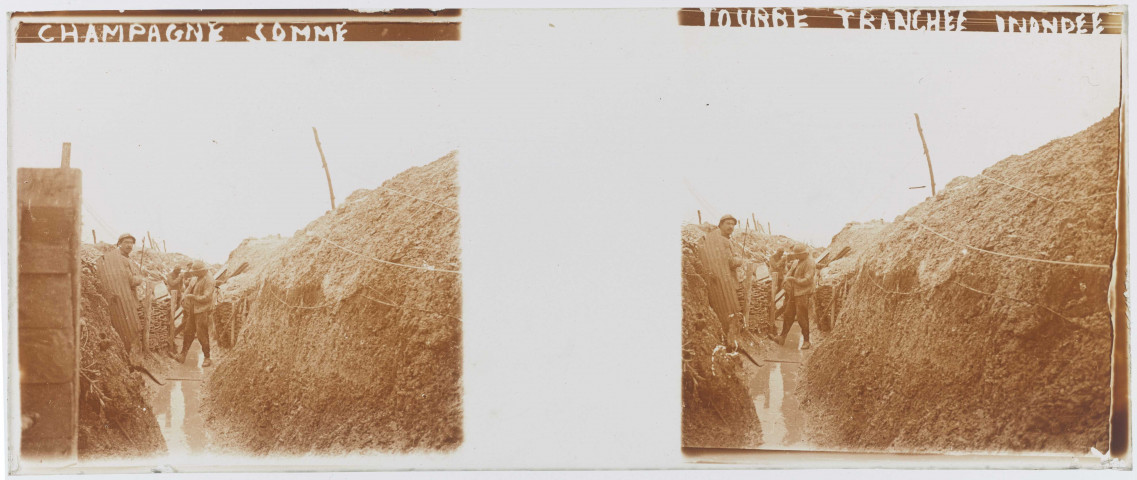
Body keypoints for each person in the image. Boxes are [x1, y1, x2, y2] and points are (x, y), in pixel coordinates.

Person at [95, 233, 145, 363]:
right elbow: (130, 281)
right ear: (119, 244)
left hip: (125, 299)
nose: (129, 245)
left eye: (131, 243)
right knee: (130, 329)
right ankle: (131, 359)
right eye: (126, 242)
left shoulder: (124, 259)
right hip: (125, 300)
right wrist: (139, 279)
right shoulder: (120, 260)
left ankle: (130, 358)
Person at [697, 214, 745, 349]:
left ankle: (729, 339)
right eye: (728, 223)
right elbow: (729, 262)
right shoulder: (722, 241)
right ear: (721, 224)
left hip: (720, 281)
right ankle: (730, 340)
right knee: (730, 310)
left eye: (733, 224)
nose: (731, 226)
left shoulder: (716, 238)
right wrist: (739, 261)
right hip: (724, 282)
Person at [775, 244, 817, 349]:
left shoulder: (810, 263)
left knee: (801, 317)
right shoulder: (798, 261)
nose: (796, 257)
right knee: (788, 314)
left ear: (804, 254)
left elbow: (808, 280)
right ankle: (782, 337)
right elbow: (791, 271)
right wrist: (787, 279)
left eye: (798, 255)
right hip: (794, 293)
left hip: (803, 293)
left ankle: (806, 341)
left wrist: (794, 280)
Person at [177, 260, 215, 367]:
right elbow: (188, 289)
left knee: (201, 334)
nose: (194, 274)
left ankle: (207, 357)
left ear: (202, 271)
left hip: (202, 310)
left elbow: (207, 297)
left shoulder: (209, 280)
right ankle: (183, 354)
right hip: (193, 309)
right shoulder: (195, 278)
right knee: (188, 331)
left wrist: (193, 297)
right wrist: (184, 297)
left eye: (196, 272)